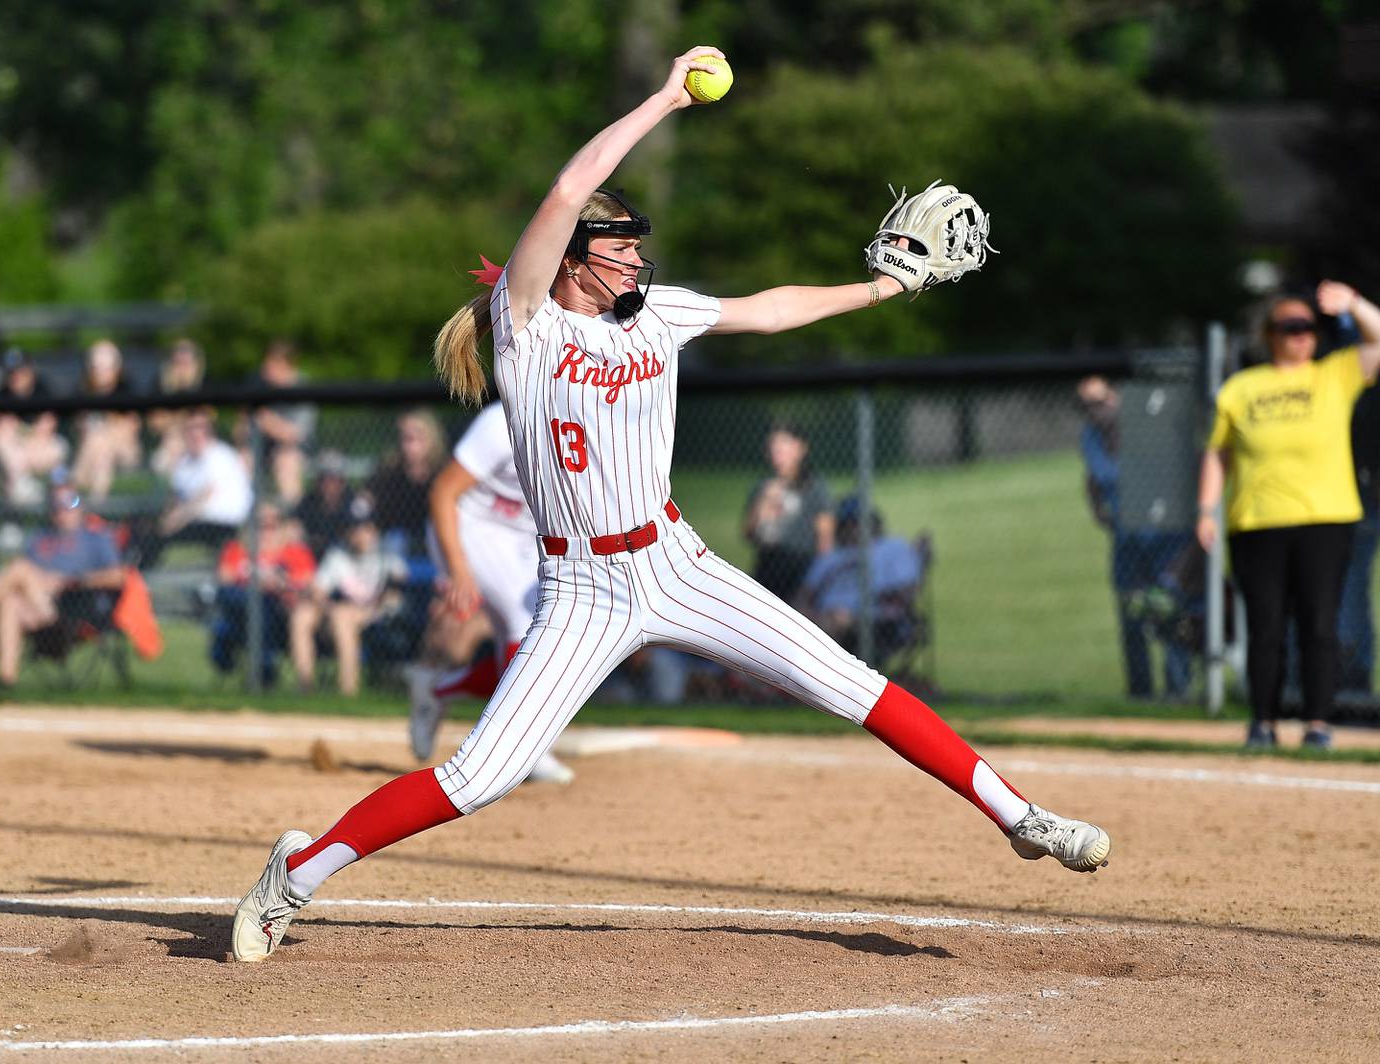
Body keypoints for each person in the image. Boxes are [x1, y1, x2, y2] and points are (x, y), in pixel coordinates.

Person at [233, 47, 1110, 963]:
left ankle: (1021, 815)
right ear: (573, 264)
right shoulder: (527, 326)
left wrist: (885, 286)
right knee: (477, 778)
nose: (636, 261)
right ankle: (293, 877)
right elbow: (572, 184)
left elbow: (769, 312)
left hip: (676, 563)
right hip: (580, 589)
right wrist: (664, 98)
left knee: (852, 683)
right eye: (619, 250)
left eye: (636, 248)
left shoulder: (657, 311)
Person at [1197, 281, 1380, 748]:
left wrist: (1354, 305)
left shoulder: (1334, 374)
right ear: (1269, 334)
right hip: (1257, 521)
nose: (1301, 335)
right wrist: (1206, 510)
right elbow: (1218, 452)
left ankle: (1318, 724)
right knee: (1266, 626)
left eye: (1308, 327)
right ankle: (1263, 723)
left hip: (1326, 518)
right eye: (1290, 327)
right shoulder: (1242, 387)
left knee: (1320, 624)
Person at [404, 401, 574, 785]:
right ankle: (526, 749)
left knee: (548, 638)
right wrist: (459, 568)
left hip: (522, 537)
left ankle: (437, 688)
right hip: (469, 524)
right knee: (525, 621)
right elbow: (443, 493)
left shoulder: (582, 420)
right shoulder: (503, 421)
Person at [1077, 376, 1193, 700]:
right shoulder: (1090, 436)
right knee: (1131, 612)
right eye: (1084, 406)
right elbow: (1092, 475)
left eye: (1098, 402)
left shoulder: (1144, 430)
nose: (1093, 411)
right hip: (1125, 537)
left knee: (1166, 607)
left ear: (1115, 398)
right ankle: (1140, 692)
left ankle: (1177, 689)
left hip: (1162, 535)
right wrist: (1096, 508)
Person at [0, 482, 125, 687]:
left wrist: (72, 581)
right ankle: (6, 682)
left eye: (71, 502)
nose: (62, 510)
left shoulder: (96, 537)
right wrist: (42, 582)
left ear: (81, 506)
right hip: (34, 605)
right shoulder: (40, 537)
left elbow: (118, 576)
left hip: (72, 606)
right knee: (11, 601)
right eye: (55, 504)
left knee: (21, 569)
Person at [289, 497, 408, 696]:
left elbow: (397, 592)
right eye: (353, 528)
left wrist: (371, 610)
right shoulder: (338, 555)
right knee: (303, 615)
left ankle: (348, 690)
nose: (358, 534)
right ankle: (305, 688)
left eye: (364, 527)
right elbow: (318, 590)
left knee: (342, 617)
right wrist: (328, 606)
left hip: (379, 616)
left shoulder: (386, 554)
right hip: (338, 613)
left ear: (374, 529)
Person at [797, 496, 928, 660]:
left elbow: (908, 590)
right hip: (825, 615)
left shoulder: (892, 548)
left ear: (873, 523)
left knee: (836, 621)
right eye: (849, 523)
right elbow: (805, 593)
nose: (855, 528)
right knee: (800, 623)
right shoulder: (830, 557)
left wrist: (873, 599)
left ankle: (827, 677)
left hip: (876, 616)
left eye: (859, 522)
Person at [211, 503, 316, 687]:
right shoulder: (237, 549)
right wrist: (257, 585)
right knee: (235, 596)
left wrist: (281, 583)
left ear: (284, 527)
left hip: (279, 614)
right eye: (260, 524)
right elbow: (224, 578)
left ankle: (264, 666)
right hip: (241, 612)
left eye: (273, 525)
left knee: (263, 602)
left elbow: (308, 584)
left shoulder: (295, 552)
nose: (266, 530)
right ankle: (260, 665)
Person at [137, 409, 253, 568]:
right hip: (195, 520)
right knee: (144, 527)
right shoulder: (186, 461)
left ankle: (141, 575)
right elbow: (175, 496)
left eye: (200, 428)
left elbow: (204, 497)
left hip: (222, 523)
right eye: (190, 429)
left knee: (158, 536)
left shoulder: (219, 455)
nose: (195, 434)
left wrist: (174, 520)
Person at [743, 423, 834, 604]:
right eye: (774, 446)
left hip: (801, 572)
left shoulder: (814, 487)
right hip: (767, 569)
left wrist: (817, 582)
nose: (777, 451)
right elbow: (748, 533)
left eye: (784, 446)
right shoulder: (764, 485)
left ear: (800, 448)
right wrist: (763, 504)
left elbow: (826, 540)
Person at [234, 340, 315, 505]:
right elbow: (239, 432)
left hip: (296, 451)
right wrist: (247, 422)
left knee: (286, 460)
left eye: (271, 364)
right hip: (262, 448)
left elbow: (294, 435)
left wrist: (263, 418)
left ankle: (293, 518)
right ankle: (250, 516)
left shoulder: (302, 388)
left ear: (285, 365)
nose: (265, 369)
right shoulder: (258, 386)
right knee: (242, 459)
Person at [0, 348, 69, 506]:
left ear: (30, 370)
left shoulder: (43, 389)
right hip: (16, 456)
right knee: (2, 441)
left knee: (59, 448)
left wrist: (19, 430)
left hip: (39, 450)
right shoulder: (1, 394)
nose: (16, 377)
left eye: (20, 371)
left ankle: (43, 493)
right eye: (12, 373)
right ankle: (25, 496)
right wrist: (27, 433)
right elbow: (0, 429)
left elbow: (46, 428)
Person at [366, 408, 447, 559]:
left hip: (434, 537)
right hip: (395, 541)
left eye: (413, 439)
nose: (406, 446)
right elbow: (366, 501)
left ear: (430, 439)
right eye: (404, 439)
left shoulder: (443, 472)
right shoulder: (389, 472)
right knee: (394, 541)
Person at [70, 339, 141, 502]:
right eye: (96, 368)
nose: (100, 373)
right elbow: (78, 425)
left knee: (99, 441)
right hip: (95, 453)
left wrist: (105, 427)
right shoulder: (83, 391)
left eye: (105, 368)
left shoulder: (127, 390)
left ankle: (80, 502)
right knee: (100, 450)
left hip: (125, 453)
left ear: (116, 369)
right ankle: (94, 506)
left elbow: (131, 427)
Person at [148, 340, 207, 477]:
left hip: (197, 445)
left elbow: (204, 421)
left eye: (186, 363)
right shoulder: (160, 386)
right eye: (177, 363)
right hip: (166, 443)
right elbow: (155, 423)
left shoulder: (205, 386)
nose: (182, 369)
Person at [294, 450, 356, 559]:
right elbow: (295, 526)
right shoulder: (308, 502)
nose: (328, 484)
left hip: (348, 555)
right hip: (315, 556)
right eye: (324, 478)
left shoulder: (352, 501)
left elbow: (361, 533)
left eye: (334, 479)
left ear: (342, 481)